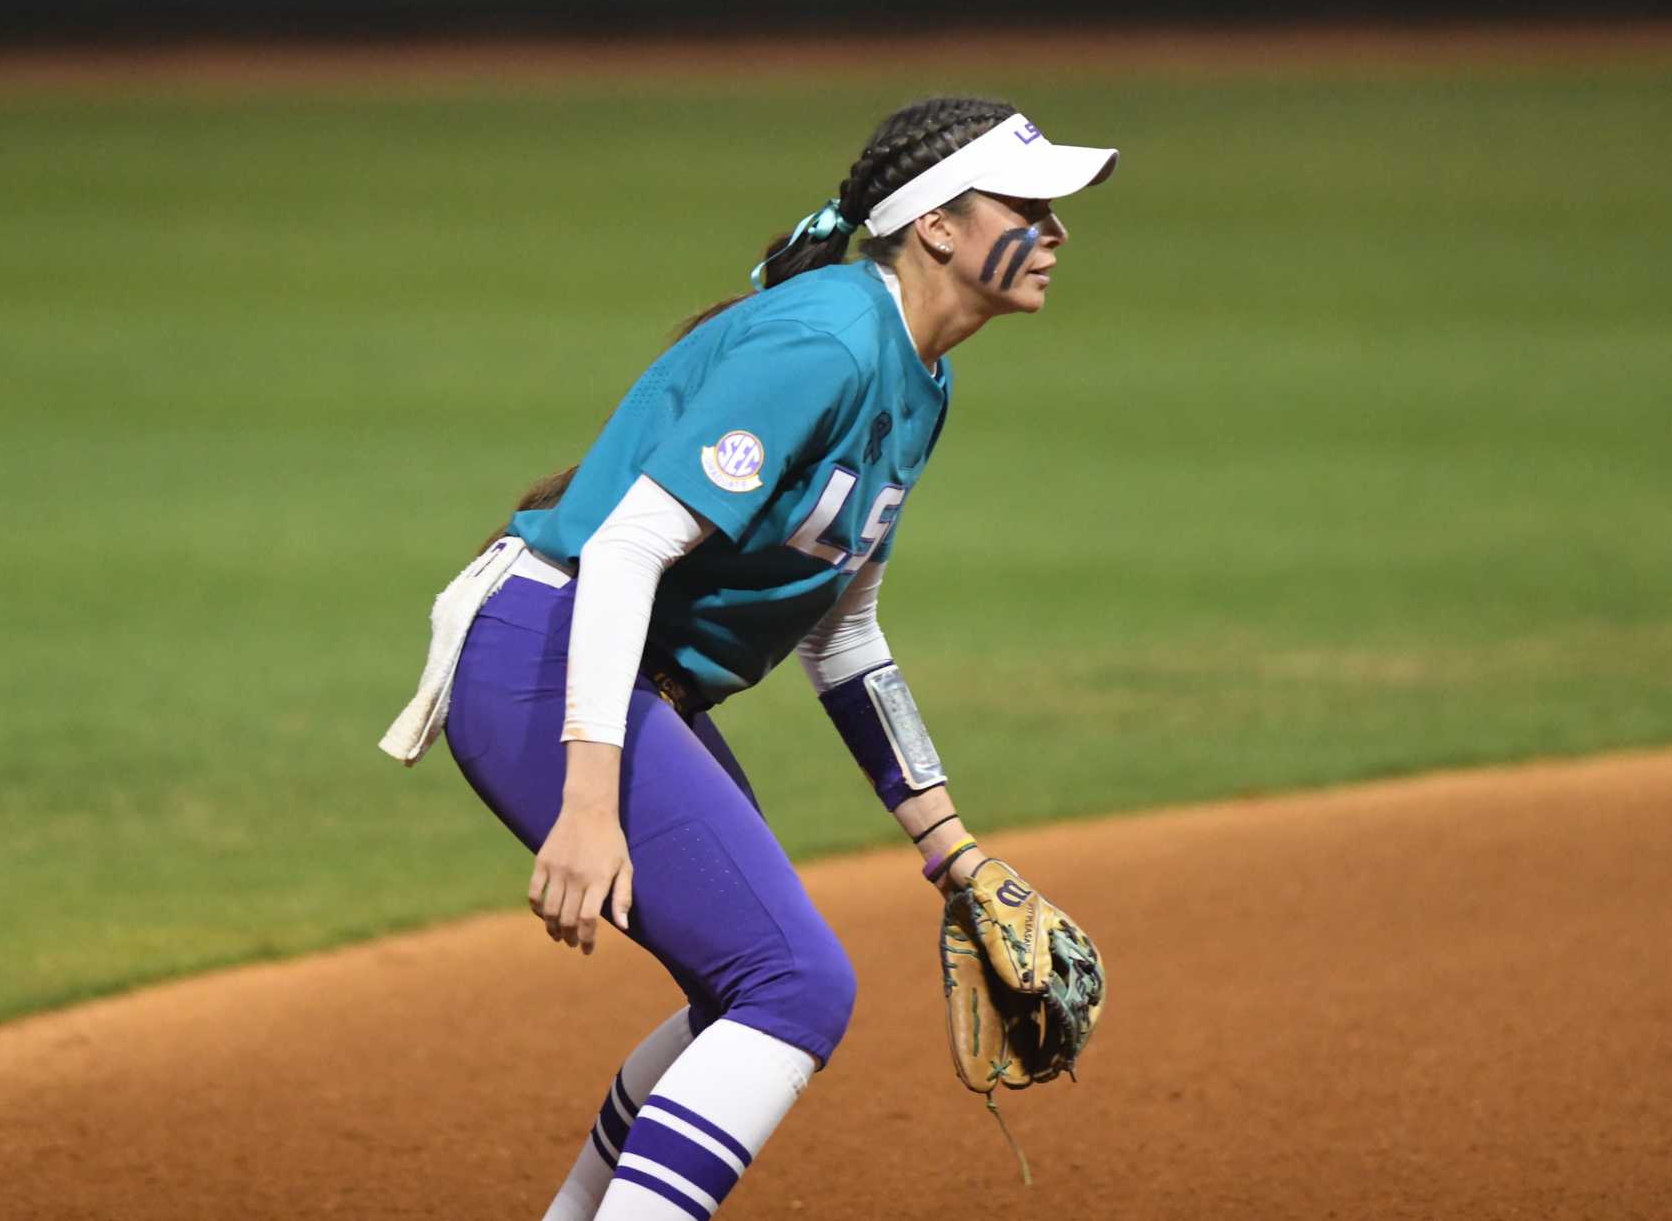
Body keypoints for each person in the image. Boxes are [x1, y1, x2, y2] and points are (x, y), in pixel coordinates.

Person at [381, 94, 1119, 1219]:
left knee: (750, 989)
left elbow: (845, 631)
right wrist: (590, 805)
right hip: (549, 656)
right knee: (795, 986)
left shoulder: (921, 379)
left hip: (614, 677)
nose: (1056, 230)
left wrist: (952, 851)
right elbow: (625, 547)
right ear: (934, 226)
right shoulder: (824, 344)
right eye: (1029, 204)